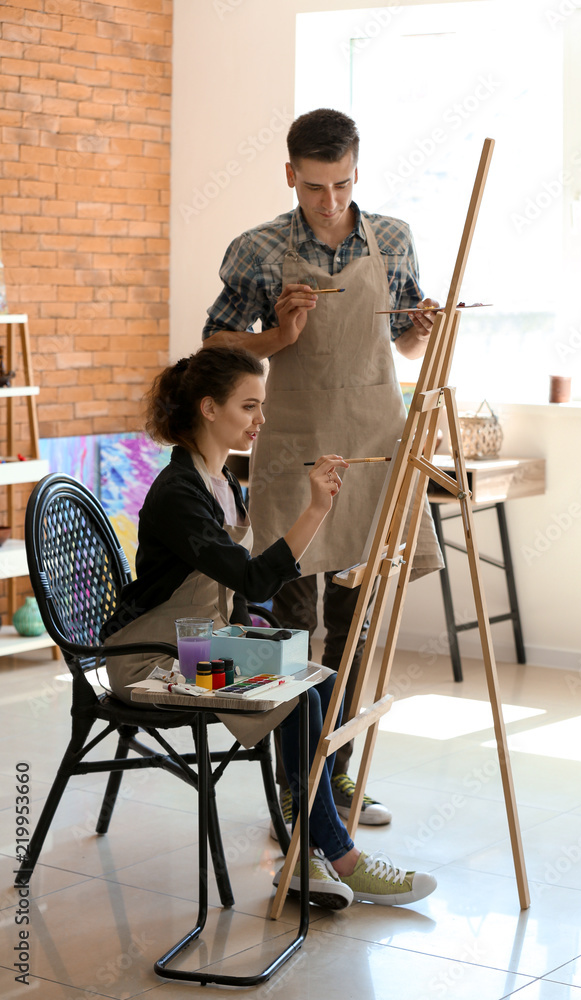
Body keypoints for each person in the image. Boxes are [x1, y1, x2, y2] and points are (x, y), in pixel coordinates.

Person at [101, 345, 437, 910]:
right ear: (209, 408)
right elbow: (256, 582)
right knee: (297, 695)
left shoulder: (221, 481)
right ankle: (334, 854)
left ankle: (303, 836)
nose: (261, 420)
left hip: (198, 646)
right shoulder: (179, 494)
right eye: (249, 406)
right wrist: (314, 512)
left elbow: (239, 597)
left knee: (320, 684)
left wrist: (261, 642)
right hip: (155, 659)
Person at [202, 108, 444, 831]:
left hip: (373, 443)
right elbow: (216, 344)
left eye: (340, 184)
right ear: (290, 176)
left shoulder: (392, 239)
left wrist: (419, 328)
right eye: (314, 187)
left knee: (358, 624)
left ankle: (333, 774)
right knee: (289, 629)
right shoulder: (259, 248)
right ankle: (290, 788)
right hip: (295, 447)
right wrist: (280, 332)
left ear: (356, 172)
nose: (330, 201)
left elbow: (400, 347)